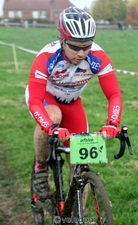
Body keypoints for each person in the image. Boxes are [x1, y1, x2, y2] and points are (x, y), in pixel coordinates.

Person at [25, 6, 122, 199]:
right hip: (45, 99)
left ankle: (76, 215)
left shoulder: (97, 57)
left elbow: (114, 94)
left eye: (87, 46)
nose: (81, 53)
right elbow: (35, 99)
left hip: (72, 103)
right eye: (75, 46)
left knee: (80, 167)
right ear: (61, 40)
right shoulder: (47, 57)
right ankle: (40, 168)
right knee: (53, 116)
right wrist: (51, 127)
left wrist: (113, 123)